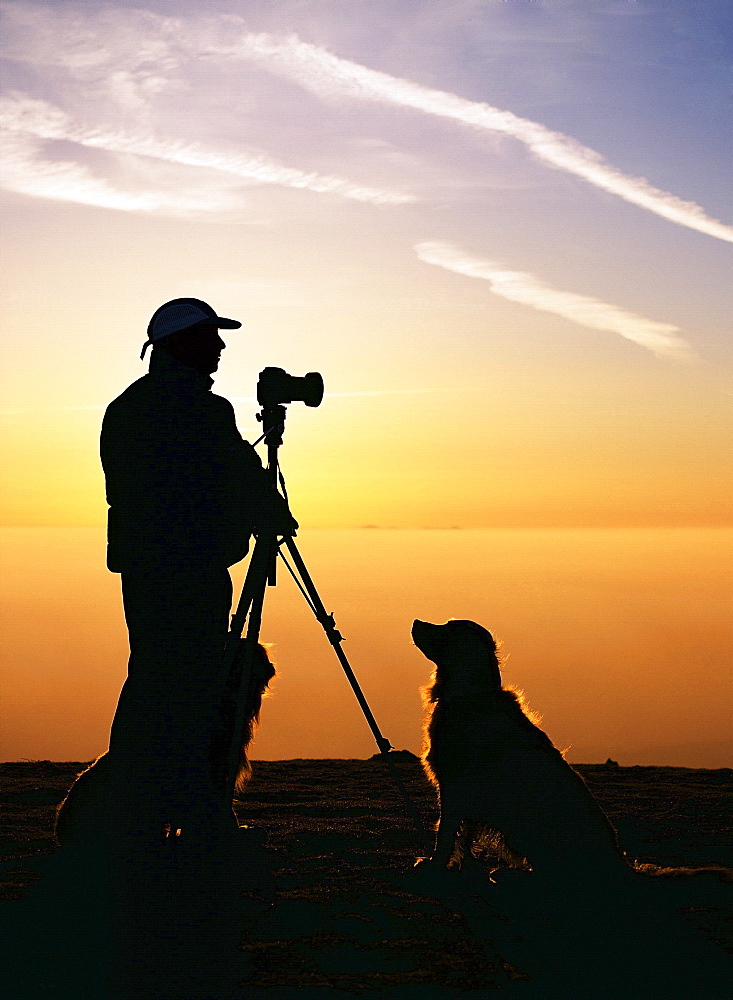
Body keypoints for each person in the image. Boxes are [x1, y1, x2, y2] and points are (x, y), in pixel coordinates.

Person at [100, 297, 293, 844]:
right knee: (187, 687)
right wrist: (263, 508)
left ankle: (141, 810)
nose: (220, 348)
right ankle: (192, 810)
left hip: (151, 571)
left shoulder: (130, 407)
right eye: (210, 337)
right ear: (180, 343)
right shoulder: (197, 410)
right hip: (189, 569)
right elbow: (221, 477)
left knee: (155, 683)